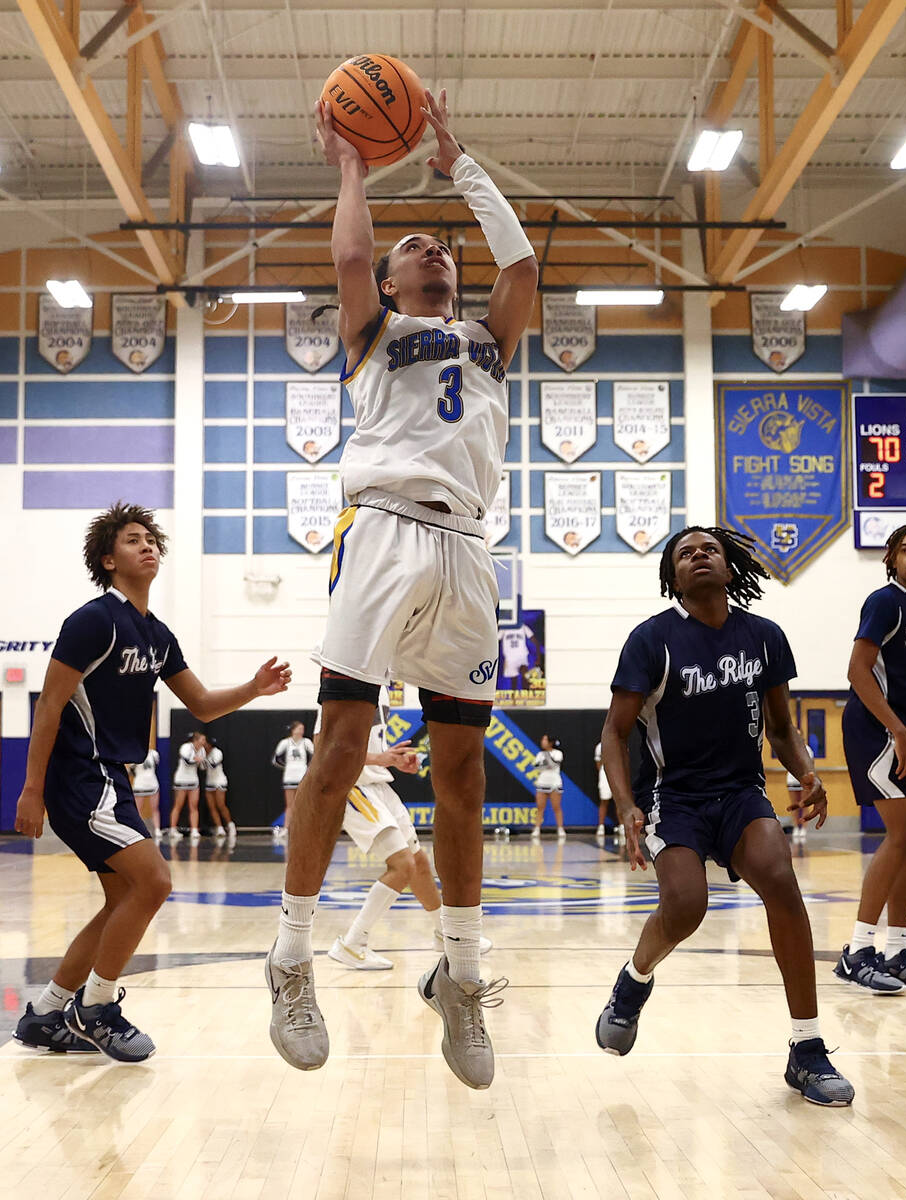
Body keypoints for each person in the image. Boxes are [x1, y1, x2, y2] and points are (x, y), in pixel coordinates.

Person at [263, 86, 537, 1091]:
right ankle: (291, 956)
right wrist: (352, 167)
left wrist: (459, 161)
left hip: (468, 549)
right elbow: (347, 259)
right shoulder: (375, 336)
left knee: (463, 777)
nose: (435, 249)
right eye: (414, 244)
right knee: (339, 747)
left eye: (441, 247)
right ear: (387, 280)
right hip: (380, 532)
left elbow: (519, 263)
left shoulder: (491, 341)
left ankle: (461, 978)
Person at [13, 502, 290, 1061]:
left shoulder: (157, 634)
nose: (147, 546)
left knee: (123, 898)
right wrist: (31, 788)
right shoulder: (92, 621)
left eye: (152, 540)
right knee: (156, 882)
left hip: (112, 777)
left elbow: (204, 705)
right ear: (109, 559)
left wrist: (253, 690)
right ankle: (95, 1008)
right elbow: (48, 708)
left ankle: (46, 1012)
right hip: (80, 774)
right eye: (134, 540)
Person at [597, 526, 854, 1106]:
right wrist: (628, 806)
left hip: (740, 791)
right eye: (684, 553)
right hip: (675, 795)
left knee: (781, 880)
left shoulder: (764, 637)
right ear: (673, 577)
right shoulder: (652, 640)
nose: (698, 557)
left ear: (730, 568)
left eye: (708, 549)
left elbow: (782, 728)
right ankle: (633, 983)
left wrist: (807, 773)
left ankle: (807, 1049)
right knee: (686, 906)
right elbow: (614, 733)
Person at [835, 525, 906, 993]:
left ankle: (898, 951)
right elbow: (857, 672)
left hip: (903, 727)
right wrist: (900, 732)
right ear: (892, 558)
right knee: (902, 834)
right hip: (873, 728)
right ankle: (857, 951)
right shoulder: (884, 602)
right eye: (905, 550)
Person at [322, 688, 493, 969]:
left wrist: (394, 760)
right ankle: (352, 944)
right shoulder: (344, 687)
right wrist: (380, 759)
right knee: (402, 866)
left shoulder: (382, 691)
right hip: (354, 785)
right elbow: (325, 747)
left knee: (419, 863)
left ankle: (446, 934)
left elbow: (374, 749)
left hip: (379, 784)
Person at [272, 721, 313, 841]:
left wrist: (307, 768)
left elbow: (314, 756)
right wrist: (289, 767)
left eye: (303, 728)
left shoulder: (306, 742)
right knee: (290, 805)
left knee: (304, 804)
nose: (301, 731)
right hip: (290, 776)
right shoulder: (285, 743)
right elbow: (276, 759)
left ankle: (304, 828)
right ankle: (286, 828)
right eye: (299, 728)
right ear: (293, 730)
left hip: (303, 776)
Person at [169, 730, 205, 843]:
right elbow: (187, 761)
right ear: (196, 740)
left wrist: (200, 761)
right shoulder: (185, 747)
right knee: (178, 805)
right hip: (181, 779)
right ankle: (173, 829)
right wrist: (197, 760)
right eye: (202, 740)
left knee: (193, 806)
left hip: (193, 780)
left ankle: (194, 830)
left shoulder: (202, 750)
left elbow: (202, 766)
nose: (204, 742)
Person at [203, 735, 236, 844]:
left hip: (219, 781)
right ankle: (219, 827)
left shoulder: (217, 752)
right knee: (211, 806)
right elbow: (202, 767)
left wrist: (202, 760)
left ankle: (230, 825)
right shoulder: (202, 753)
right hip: (209, 781)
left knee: (220, 805)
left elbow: (213, 765)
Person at [532, 735, 565, 841]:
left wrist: (546, 760)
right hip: (542, 782)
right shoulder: (539, 754)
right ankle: (537, 829)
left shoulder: (558, 753)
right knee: (540, 807)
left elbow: (553, 765)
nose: (542, 742)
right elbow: (537, 767)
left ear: (550, 742)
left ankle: (560, 828)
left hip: (555, 783)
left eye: (545, 740)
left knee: (556, 807)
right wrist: (546, 764)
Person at [784, 736, 814, 843]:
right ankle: (796, 827)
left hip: (803, 779)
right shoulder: (788, 749)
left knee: (804, 804)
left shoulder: (808, 750)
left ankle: (804, 829)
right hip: (791, 779)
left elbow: (809, 766)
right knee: (794, 805)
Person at [129, 747, 161, 840]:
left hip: (152, 784)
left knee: (155, 808)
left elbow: (156, 765)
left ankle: (157, 829)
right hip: (140, 784)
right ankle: (138, 830)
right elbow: (131, 770)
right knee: (138, 810)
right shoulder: (134, 753)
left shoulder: (154, 753)